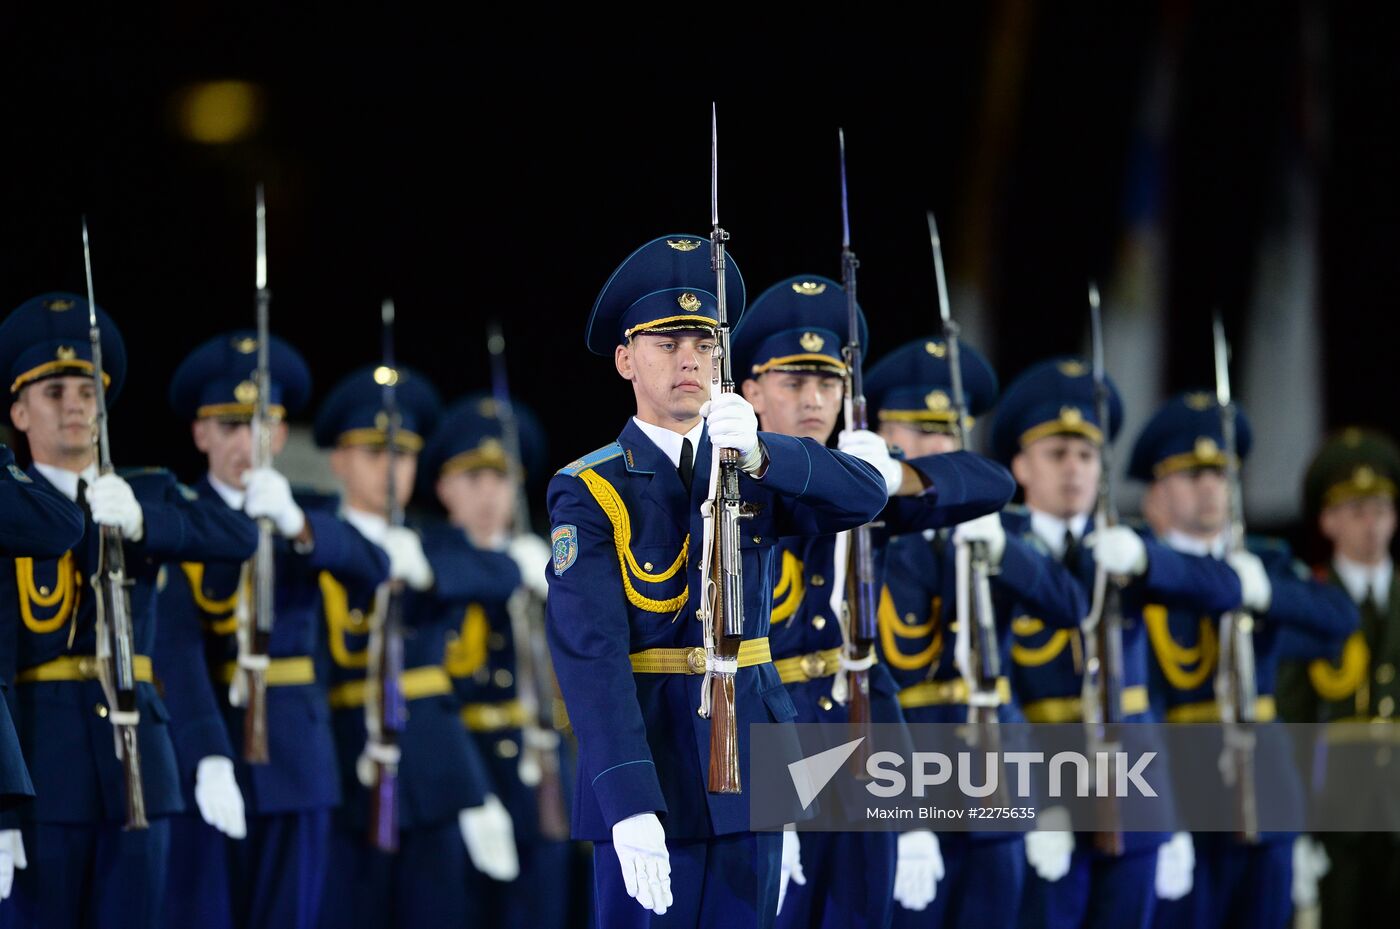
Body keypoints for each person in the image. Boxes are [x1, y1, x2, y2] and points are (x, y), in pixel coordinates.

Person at [545, 234, 889, 927]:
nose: (689, 359)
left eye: (704, 342)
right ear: (625, 359)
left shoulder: (752, 463)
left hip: (757, 770)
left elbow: (865, 496)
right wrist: (627, 799)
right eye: (668, 342)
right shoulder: (588, 487)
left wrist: (767, 451)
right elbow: (593, 658)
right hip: (652, 773)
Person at [729, 275, 1015, 929]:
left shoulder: (862, 483)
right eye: (793, 382)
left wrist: (897, 473)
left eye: (827, 383)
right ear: (750, 390)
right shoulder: (733, 480)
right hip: (775, 729)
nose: (813, 399)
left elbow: (990, 481)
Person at [0, 293, 257, 928]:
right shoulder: (9, 504)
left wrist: (149, 521)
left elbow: (237, 536)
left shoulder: (147, 487)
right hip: (41, 767)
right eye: (55, 391)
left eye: (87, 390)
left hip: (140, 761)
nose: (76, 405)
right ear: (19, 411)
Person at [157, 331, 390, 929]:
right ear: (200, 434)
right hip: (211, 748)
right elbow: (177, 645)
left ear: (282, 434)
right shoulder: (179, 517)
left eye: (260, 423)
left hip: (297, 755)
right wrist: (206, 753)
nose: (246, 441)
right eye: (229, 425)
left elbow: (373, 567)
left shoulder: (305, 511)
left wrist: (297, 524)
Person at [1131, 392, 1357, 929]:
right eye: (1192, 475)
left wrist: (1259, 590)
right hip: (1180, 788)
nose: (1211, 486)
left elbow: (1338, 619)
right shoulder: (1142, 565)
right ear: (1155, 495)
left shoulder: (1267, 561)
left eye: (1221, 473)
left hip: (1268, 791)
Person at [312, 365, 520, 929]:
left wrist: (427, 568)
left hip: (434, 775)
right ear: (337, 459)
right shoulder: (319, 536)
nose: (390, 470)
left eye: (402, 455)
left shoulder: (437, 544)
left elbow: (500, 568)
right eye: (373, 452)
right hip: (343, 762)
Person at [427, 394, 578, 929]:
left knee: (542, 907)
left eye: (501, 479)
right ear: (445, 487)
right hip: (463, 763)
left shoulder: (545, 564)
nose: (490, 495)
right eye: (473, 479)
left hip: (542, 769)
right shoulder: (433, 566)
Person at [1276, 427, 1400, 928]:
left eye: (1381, 510)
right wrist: (1297, 826)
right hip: (1335, 813)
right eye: (1356, 511)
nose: (1371, 525)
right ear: (1328, 520)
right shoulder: (1309, 601)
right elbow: (1292, 718)